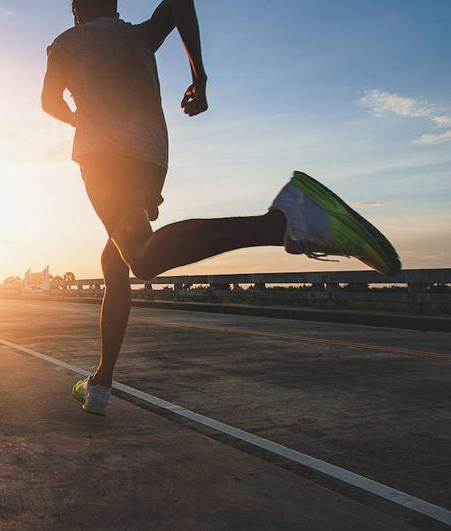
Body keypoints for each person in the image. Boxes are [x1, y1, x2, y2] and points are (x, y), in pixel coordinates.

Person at [41, 0, 401, 415]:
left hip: (105, 156)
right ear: (114, 4)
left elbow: (50, 102)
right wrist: (201, 78)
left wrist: (80, 118)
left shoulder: (66, 43)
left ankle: (279, 222)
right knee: (115, 261)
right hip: (151, 159)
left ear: (74, 10)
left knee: (140, 257)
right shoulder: (136, 35)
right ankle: (101, 383)